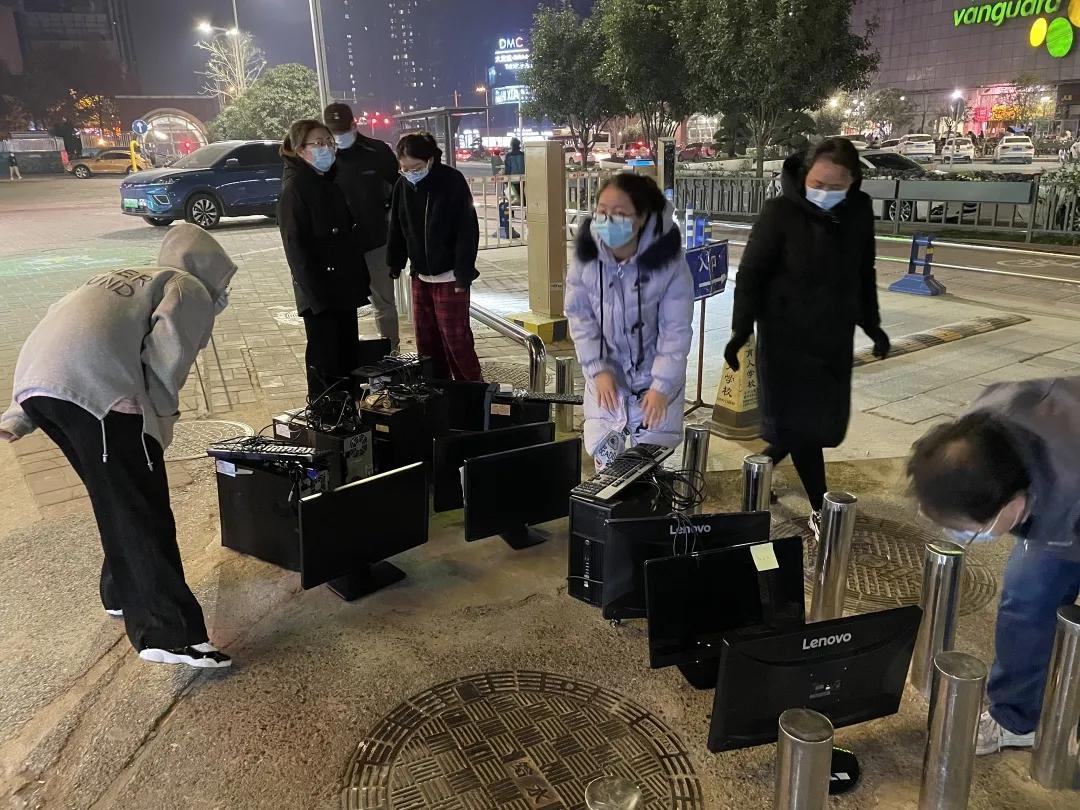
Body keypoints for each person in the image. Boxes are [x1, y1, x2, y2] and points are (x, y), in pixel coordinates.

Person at [0, 224, 236, 669]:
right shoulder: (188, 288)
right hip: (103, 395)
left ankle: (118, 594)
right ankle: (166, 633)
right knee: (142, 506)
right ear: (212, 270)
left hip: (41, 388)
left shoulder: (132, 275)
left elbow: (58, 328)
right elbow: (166, 364)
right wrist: (155, 429)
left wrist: (18, 413)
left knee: (116, 494)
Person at [724, 137, 889, 535]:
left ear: (853, 182)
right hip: (785, 342)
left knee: (809, 426)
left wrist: (872, 324)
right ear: (805, 177)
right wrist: (741, 330)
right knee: (800, 428)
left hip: (831, 342)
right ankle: (821, 508)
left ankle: (759, 470)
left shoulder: (858, 213)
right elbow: (750, 275)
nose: (825, 192)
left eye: (836, 186)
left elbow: (863, 272)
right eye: (818, 183)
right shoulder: (780, 213)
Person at [907, 378, 1080, 756]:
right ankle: (1016, 719)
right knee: (1028, 597)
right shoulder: (980, 429)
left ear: (1014, 508)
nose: (962, 536)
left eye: (971, 530)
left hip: (1071, 493)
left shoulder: (1069, 486)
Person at [565, 173, 693, 469]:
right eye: (602, 211)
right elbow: (580, 316)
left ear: (643, 217)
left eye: (620, 213)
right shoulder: (587, 255)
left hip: (654, 385)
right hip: (606, 385)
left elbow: (675, 332)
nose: (608, 221)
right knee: (608, 478)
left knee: (647, 474)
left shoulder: (670, 263)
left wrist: (661, 386)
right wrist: (598, 369)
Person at [278, 118, 370, 399]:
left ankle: (347, 412)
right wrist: (316, 297)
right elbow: (296, 249)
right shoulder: (296, 189)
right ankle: (326, 414)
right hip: (320, 292)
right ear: (300, 149)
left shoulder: (328, 181)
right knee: (326, 360)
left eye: (329, 142)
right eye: (318, 143)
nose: (327, 148)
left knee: (347, 357)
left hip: (343, 287)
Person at [387, 132, 482, 381]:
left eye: (416, 168)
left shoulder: (451, 181)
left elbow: (467, 230)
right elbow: (397, 226)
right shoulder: (402, 186)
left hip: (450, 276)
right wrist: (395, 262)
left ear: (430, 160)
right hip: (420, 275)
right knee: (426, 342)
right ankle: (435, 391)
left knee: (456, 340)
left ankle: (473, 391)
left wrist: (463, 274)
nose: (411, 173)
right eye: (405, 168)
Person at [323, 101, 402, 352]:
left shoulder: (376, 151)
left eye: (342, 130)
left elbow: (398, 190)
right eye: (333, 131)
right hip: (339, 247)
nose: (339, 136)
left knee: (384, 303)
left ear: (354, 124)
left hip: (375, 241)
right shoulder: (322, 157)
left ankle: (391, 353)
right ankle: (347, 356)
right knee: (343, 305)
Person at [503, 137, 525, 206]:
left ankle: (511, 210)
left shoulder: (509, 155)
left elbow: (508, 168)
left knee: (512, 196)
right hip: (522, 178)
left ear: (511, 145)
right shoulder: (523, 155)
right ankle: (524, 209)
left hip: (512, 179)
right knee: (521, 194)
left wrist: (505, 179)